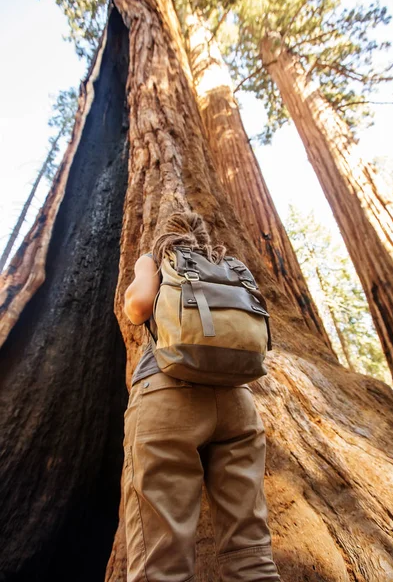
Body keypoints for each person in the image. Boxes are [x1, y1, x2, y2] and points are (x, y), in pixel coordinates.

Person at [123, 211, 281, 582]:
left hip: (167, 398)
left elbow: (137, 307)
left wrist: (144, 272)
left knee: (161, 560)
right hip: (237, 403)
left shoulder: (157, 258)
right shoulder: (227, 264)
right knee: (251, 553)